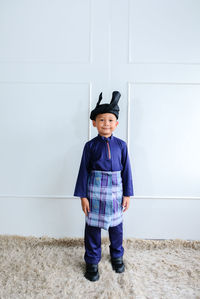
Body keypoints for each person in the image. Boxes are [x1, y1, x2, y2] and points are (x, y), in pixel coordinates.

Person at [74, 91, 134, 282]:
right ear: (94, 123)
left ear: (116, 123)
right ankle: (92, 260)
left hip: (116, 193)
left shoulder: (122, 146)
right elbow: (83, 170)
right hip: (95, 193)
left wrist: (127, 195)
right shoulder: (90, 146)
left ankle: (117, 255)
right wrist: (83, 196)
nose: (106, 123)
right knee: (92, 228)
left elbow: (127, 172)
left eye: (110, 120)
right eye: (101, 120)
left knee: (116, 227)